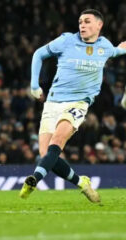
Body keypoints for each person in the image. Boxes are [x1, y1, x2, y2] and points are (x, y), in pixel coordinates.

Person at [19, 9, 126, 202]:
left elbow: (119, 50)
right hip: (53, 102)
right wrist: (34, 85)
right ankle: (82, 183)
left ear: (99, 25)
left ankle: (35, 179)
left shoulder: (105, 46)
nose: (82, 25)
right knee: (46, 155)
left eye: (87, 22)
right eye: (80, 22)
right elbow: (38, 54)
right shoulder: (66, 40)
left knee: (56, 143)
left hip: (78, 103)